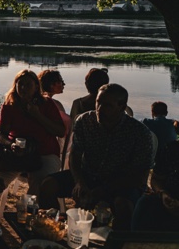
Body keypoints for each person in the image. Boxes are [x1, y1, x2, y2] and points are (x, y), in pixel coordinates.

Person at [39, 84, 154, 230]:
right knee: (47, 186)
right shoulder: (85, 121)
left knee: (123, 206)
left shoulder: (139, 133)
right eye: (98, 102)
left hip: (121, 183)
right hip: (88, 176)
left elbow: (140, 176)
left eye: (107, 105)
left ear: (122, 107)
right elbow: (75, 154)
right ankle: (54, 229)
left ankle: (115, 244)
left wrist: (103, 190)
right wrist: (79, 182)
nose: (100, 109)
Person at [0, 69, 65, 196]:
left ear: (36, 87)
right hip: (17, 154)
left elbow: (60, 131)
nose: (23, 88)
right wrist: (10, 144)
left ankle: (30, 212)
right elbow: (1, 134)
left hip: (44, 154)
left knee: (40, 185)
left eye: (28, 85)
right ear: (15, 86)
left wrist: (37, 115)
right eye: (20, 84)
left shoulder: (46, 103)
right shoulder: (9, 106)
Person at [132, 141, 179, 231]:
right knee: (145, 204)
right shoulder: (172, 149)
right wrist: (163, 194)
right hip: (170, 200)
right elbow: (156, 179)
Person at [39, 69, 73, 167]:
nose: (64, 84)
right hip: (52, 147)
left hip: (60, 146)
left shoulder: (53, 103)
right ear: (51, 85)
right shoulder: (49, 103)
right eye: (60, 82)